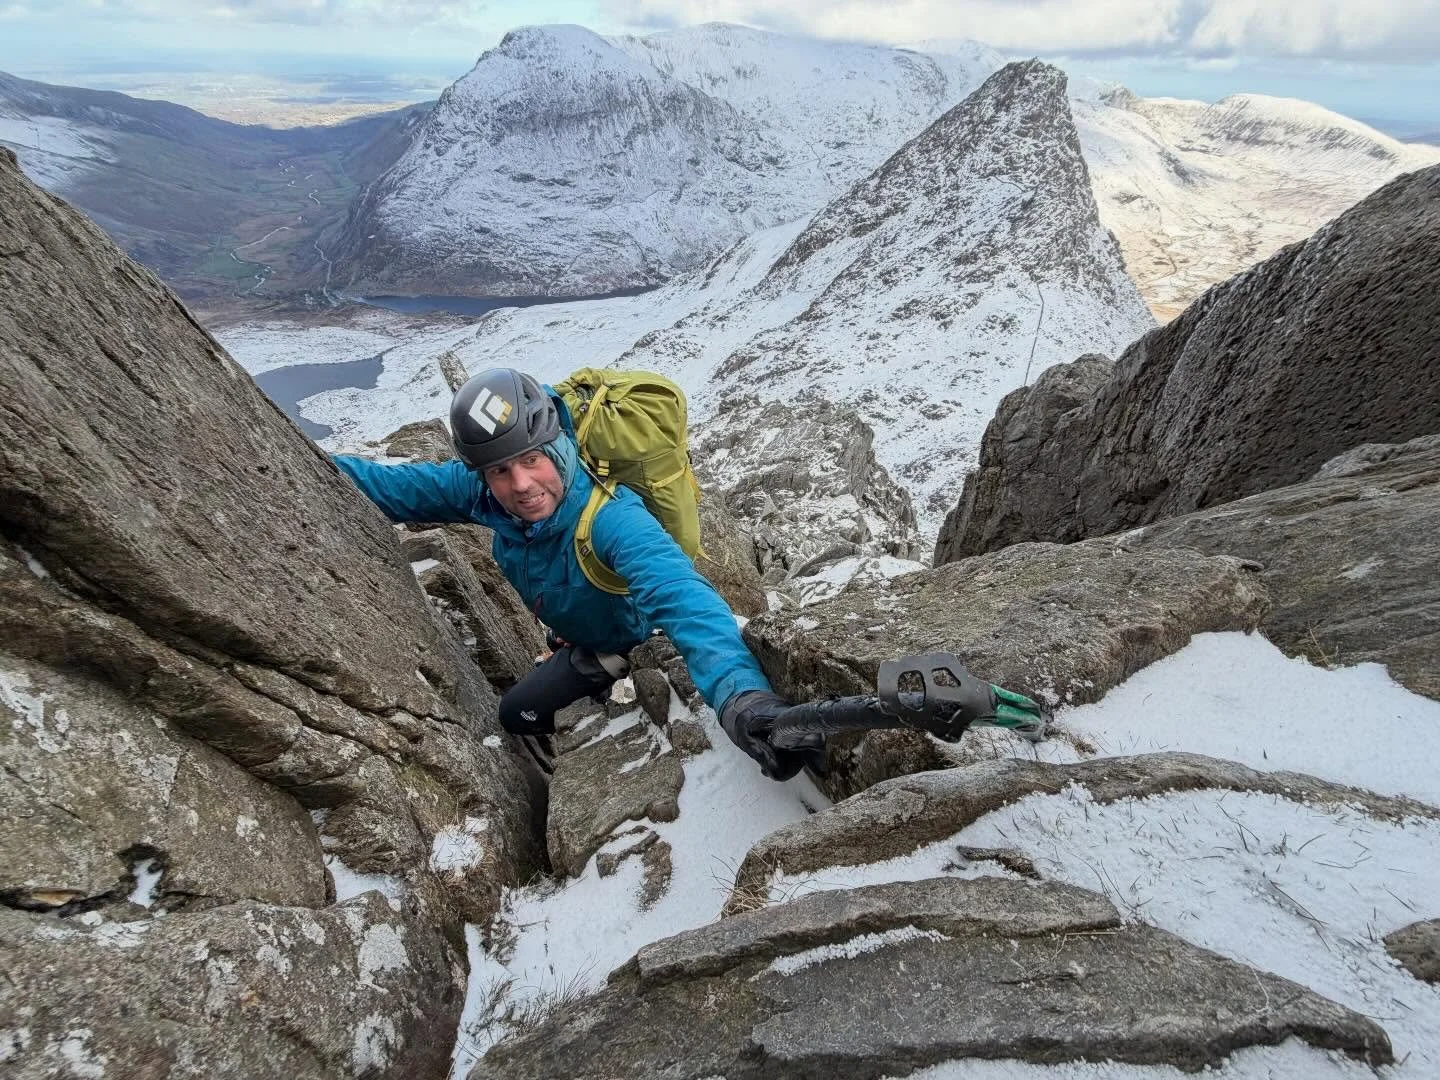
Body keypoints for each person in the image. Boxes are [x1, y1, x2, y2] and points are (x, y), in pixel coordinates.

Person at [332, 367, 818, 780]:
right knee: (520, 715)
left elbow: (684, 599)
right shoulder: (482, 493)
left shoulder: (611, 519)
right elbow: (391, 487)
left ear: (556, 443)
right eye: (500, 470)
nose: (521, 485)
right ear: (482, 473)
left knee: (516, 713)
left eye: (531, 459)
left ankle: (605, 685)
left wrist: (742, 701)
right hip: (576, 634)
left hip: (629, 643)